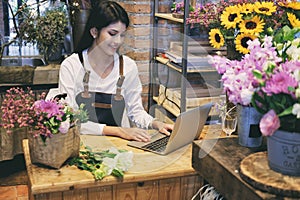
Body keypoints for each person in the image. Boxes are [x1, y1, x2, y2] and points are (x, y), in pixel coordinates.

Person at [57, 0, 173, 142]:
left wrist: (156, 123)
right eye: (112, 33)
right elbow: (68, 119)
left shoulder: (128, 67)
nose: (118, 41)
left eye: (122, 35)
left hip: (119, 150)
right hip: (80, 146)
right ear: (94, 32)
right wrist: (118, 131)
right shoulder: (71, 66)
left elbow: (135, 111)